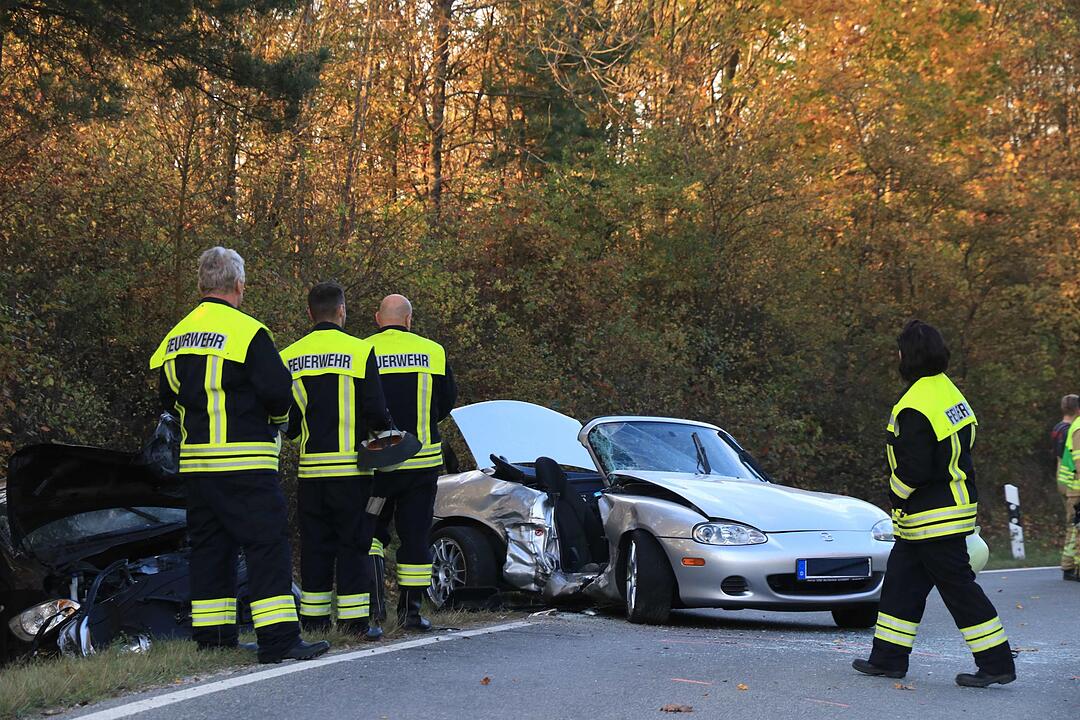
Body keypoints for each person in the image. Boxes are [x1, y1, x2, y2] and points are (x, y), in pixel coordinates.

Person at [149, 247, 329, 664]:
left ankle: (213, 638)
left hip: (197, 465)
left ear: (201, 284)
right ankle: (279, 639)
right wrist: (281, 421)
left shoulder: (175, 336)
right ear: (238, 285)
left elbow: (168, 399)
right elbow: (278, 393)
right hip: (246, 462)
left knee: (211, 549)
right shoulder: (248, 332)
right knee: (267, 546)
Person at [852, 320, 1015, 687]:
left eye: (898, 350)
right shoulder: (950, 393)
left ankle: (997, 663)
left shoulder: (913, 404)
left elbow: (914, 468)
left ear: (907, 355)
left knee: (959, 590)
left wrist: (895, 493)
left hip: (930, 515)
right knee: (900, 585)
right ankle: (888, 658)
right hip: (949, 508)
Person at [280, 282, 394, 637]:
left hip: (311, 470)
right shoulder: (360, 352)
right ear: (342, 311)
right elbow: (376, 413)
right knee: (354, 542)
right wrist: (386, 435)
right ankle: (355, 622)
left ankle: (313, 621)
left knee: (315, 544)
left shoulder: (289, 356)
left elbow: (287, 420)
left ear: (310, 313)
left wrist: (304, 436)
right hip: (352, 470)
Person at [366, 294, 457, 631]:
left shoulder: (363, 351)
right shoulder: (433, 351)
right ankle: (411, 613)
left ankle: (374, 609)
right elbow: (446, 402)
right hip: (421, 465)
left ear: (378, 318)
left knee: (371, 531)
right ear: (408, 320)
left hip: (379, 465)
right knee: (415, 536)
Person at [1055, 395, 1080, 581]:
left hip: (1070, 484)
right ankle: (1072, 567)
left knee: (1073, 527)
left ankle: (1069, 566)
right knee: (1075, 527)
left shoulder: (1063, 428)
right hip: (1075, 486)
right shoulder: (1077, 429)